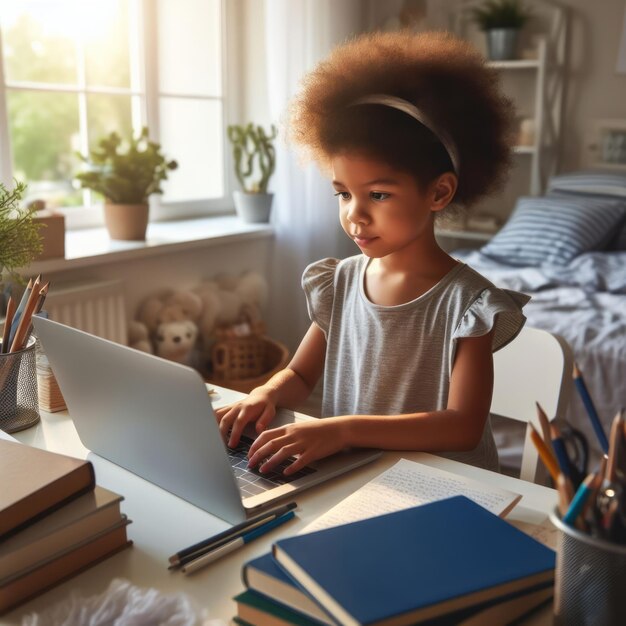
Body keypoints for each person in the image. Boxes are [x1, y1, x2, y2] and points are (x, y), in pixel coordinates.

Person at [216, 30, 528, 473]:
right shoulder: (340, 282)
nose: (355, 215)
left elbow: (463, 427)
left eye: (378, 195)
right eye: (343, 194)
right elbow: (302, 375)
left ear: (439, 192)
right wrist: (265, 392)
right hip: (360, 477)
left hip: (445, 491)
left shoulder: (469, 304)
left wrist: (342, 430)